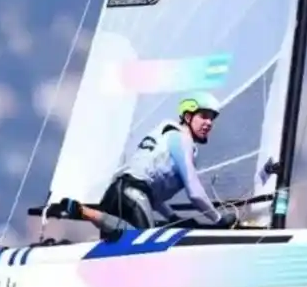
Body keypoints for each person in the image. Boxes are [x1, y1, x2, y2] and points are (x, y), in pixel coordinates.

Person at [94, 92, 238, 234]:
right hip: (132, 196)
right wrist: (218, 219)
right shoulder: (182, 140)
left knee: (114, 252)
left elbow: (149, 189)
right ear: (188, 117)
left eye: (212, 119)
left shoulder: (166, 136)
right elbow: (195, 193)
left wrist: (172, 217)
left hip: (115, 194)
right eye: (204, 116)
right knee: (147, 250)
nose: (209, 123)